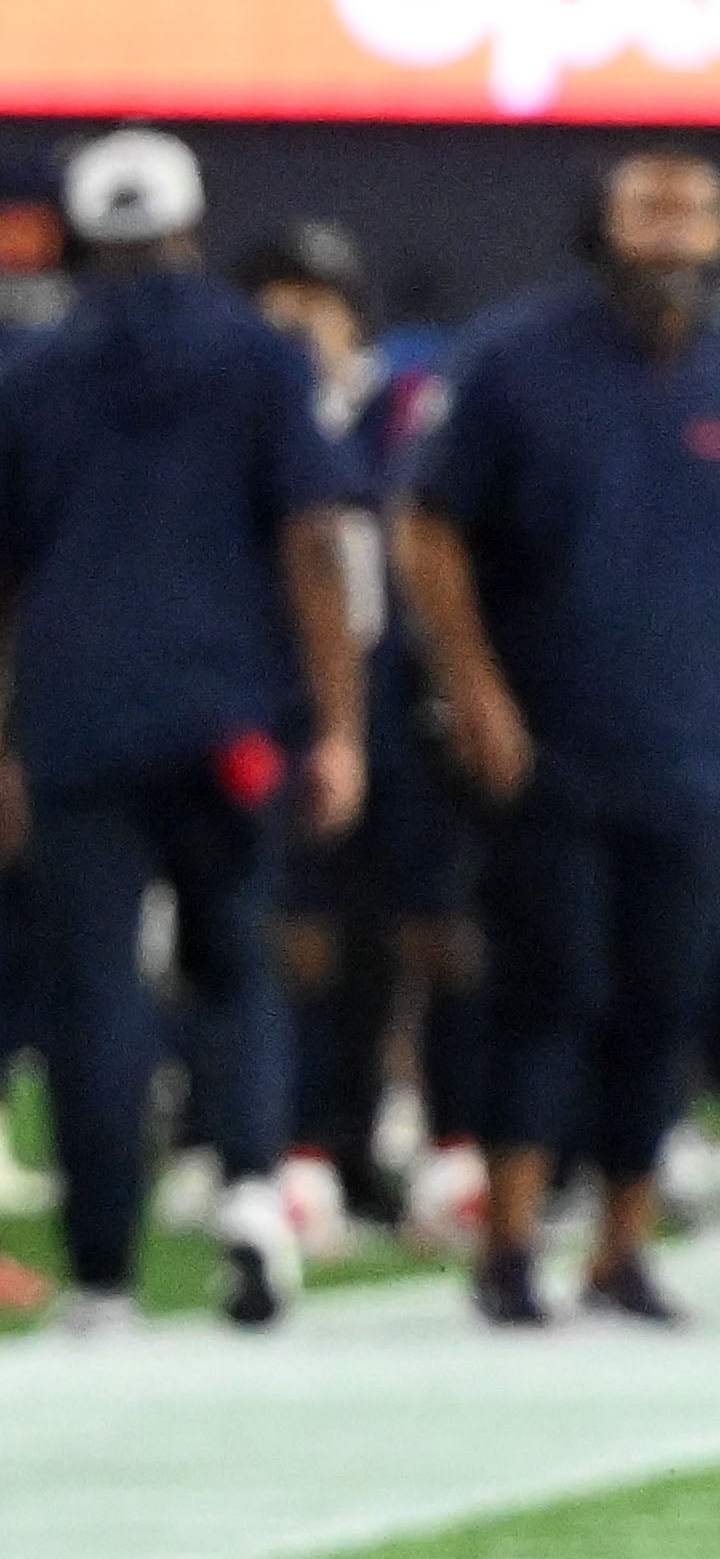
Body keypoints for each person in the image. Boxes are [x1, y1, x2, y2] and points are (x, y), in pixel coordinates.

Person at [400, 146, 720, 1327]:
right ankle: (509, 1241)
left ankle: (622, 1246)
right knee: (548, 984)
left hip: (693, 741)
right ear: (604, 228)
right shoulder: (518, 358)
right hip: (551, 734)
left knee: (667, 996)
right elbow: (428, 529)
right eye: (649, 210)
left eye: (695, 212)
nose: (672, 234)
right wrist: (475, 688)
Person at [0, 133, 367, 1331]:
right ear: (192, 224)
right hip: (224, 717)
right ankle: (253, 1194)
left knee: (94, 990)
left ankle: (103, 1274)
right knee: (232, 958)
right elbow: (310, 547)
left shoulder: (31, 367)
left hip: (75, 715)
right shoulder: (258, 354)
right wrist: (340, 725)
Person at [251, 221, 475, 1237]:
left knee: (432, 930)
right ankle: (301, 1143)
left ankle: (442, 1138)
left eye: (315, 301)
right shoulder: (247, 406)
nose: (296, 322)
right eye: (276, 302)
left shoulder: (415, 407)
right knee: (304, 935)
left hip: (409, 692)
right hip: (289, 692)